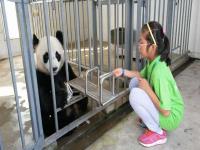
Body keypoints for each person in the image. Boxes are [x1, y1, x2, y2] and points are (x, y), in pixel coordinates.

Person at [112, 21, 184, 147]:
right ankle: (152, 120)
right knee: (135, 82)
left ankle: (158, 132)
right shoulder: (153, 62)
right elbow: (140, 75)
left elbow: (166, 111)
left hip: (171, 117)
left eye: (141, 42)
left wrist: (147, 89)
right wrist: (123, 72)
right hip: (166, 110)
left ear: (153, 47)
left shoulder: (159, 72)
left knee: (135, 94)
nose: (138, 45)